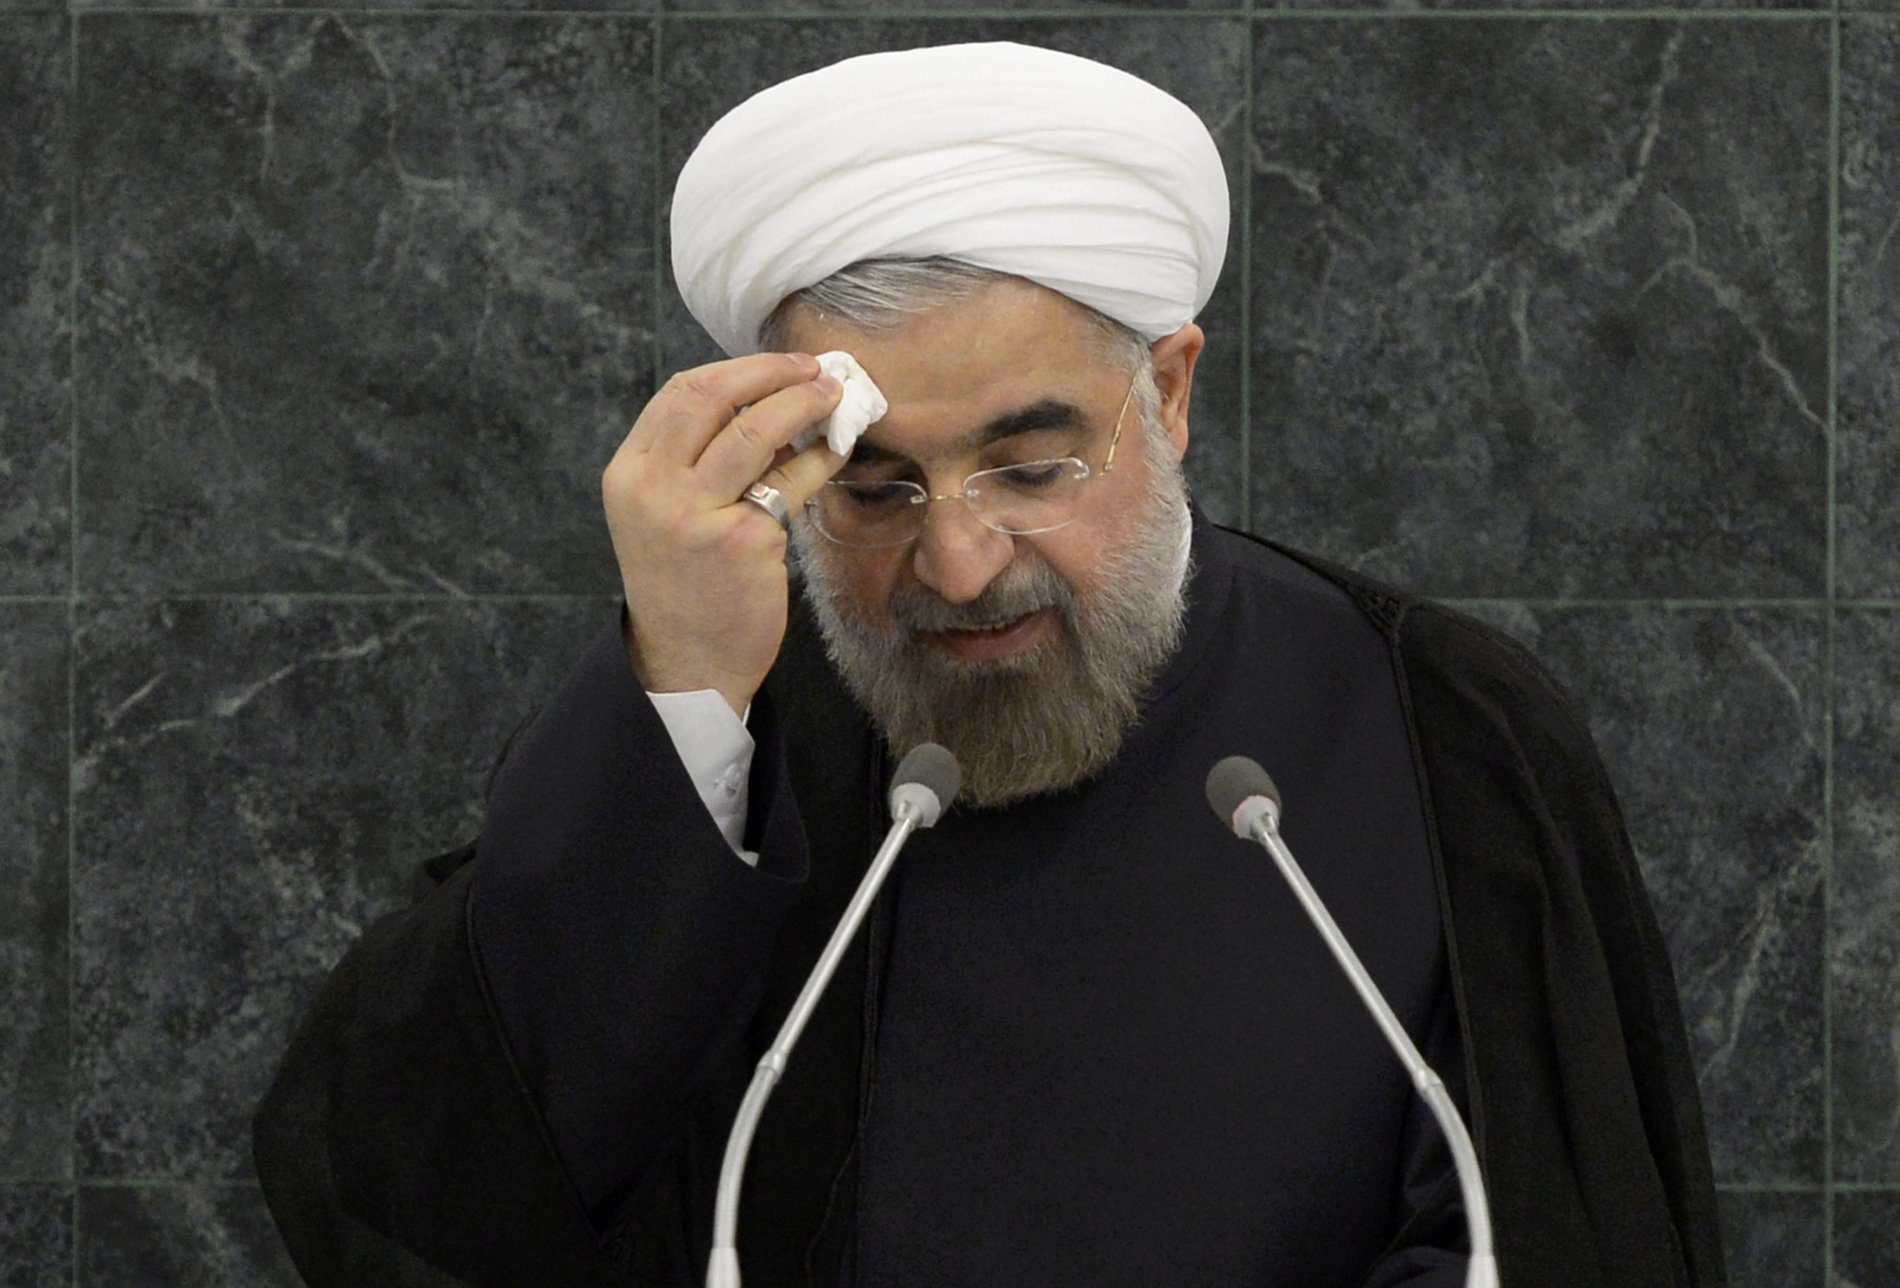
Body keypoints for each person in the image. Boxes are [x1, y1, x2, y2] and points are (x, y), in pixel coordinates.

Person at [254, 42, 1725, 1288]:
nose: (957, 566)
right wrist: (684, 685)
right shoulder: (731, 726)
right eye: (876, 488)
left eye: (1030, 467)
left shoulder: (1438, 727)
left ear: (1168, 392)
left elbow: (1549, 1235)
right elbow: (413, 1194)